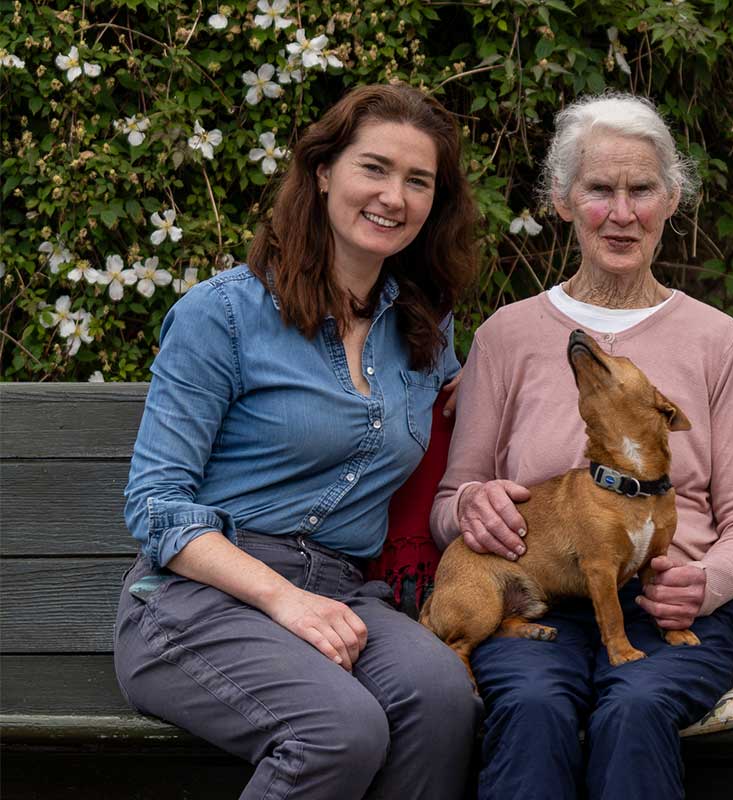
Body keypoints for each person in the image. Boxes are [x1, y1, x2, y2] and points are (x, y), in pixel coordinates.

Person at [114, 84, 481, 800]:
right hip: (199, 599)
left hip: (342, 592)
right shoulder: (220, 315)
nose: (393, 197)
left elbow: (485, 407)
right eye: (373, 168)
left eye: (418, 181)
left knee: (443, 699)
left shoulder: (424, 335)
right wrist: (285, 601)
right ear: (322, 173)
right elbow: (156, 504)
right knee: (339, 729)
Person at [429, 93, 733, 800]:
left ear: (672, 198)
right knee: (529, 709)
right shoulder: (508, 335)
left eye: (642, 189)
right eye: (599, 189)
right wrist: (471, 503)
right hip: (533, 608)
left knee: (636, 709)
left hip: (663, 609)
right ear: (562, 199)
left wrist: (705, 585)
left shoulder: (716, 340)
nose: (622, 213)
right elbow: (449, 503)